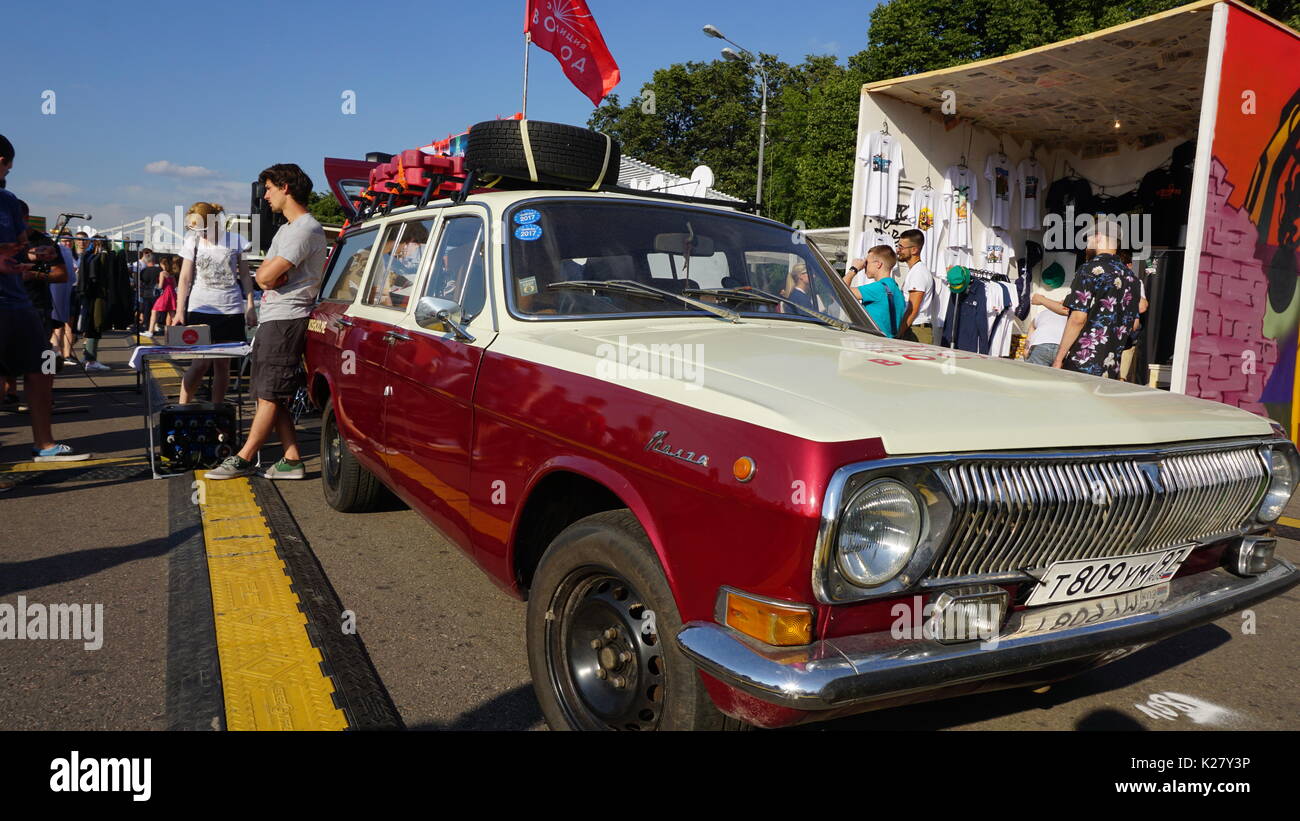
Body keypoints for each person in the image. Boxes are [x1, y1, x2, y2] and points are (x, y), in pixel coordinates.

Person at [206, 163, 327, 480]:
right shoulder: (288, 230)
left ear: (286, 187)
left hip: (287, 317)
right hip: (274, 316)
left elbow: (266, 276)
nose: (266, 196)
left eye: (270, 188)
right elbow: (265, 278)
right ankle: (292, 459)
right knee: (269, 393)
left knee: (271, 392)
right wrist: (266, 277)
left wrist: (267, 276)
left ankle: (244, 457)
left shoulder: (304, 229)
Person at [0, 133, 90, 462]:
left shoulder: (8, 200)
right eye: (8, 169)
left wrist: (32, 261)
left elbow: (40, 260)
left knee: (43, 366)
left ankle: (45, 443)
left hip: (23, 305)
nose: (7, 175)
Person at [171, 202, 255, 405]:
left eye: (203, 229)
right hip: (201, 308)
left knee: (223, 365)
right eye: (196, 230)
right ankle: (182, 407)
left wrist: (250, 306)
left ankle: (217, 409)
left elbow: (245, 276)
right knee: (200, 363)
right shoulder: (193, 242)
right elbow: (184, 278)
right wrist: (179, 310)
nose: (201, 233)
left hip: (231, 308)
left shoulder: (236, 241)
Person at [1052, 219, 1143, 378]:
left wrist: (1059, 359)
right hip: (1111, 369)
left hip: (1082, 363)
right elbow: (1134, 325)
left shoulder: (1091, 269)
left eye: (1087, 239)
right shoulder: (1133, 280)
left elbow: (1078, 319)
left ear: (1098, 236)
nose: (1086, 245)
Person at [849, 245, 906, 337]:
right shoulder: (895, 288)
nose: (864, 266)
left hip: (873, 343)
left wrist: (853, 269)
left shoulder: (878, 288)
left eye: (867, 262)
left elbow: (839, 291)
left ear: (878, 264)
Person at [895, 229, 935, 343]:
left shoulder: (918, 273)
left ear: (914, 250)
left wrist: (898, 334)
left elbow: (913, 309)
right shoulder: (916, 271)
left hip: (916, 331)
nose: (898, 250)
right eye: (898, 246)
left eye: (901, 247)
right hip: (913, 328)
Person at [149, 255, 178, 334]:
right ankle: (177, 330)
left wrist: (156, 286)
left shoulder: (162, 273)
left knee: (154, 310)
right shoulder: (172, 274)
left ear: (163, 264)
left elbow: (160, 286)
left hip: (165, 293)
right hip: (172, 293)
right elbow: (175, 286)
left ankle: (150, 331)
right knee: (172, 313)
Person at [134, 248, 161, 330]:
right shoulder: (159, 270)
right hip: (156, 293)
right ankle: (155, 325)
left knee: (146, 310)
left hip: (146, 293)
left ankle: (146, 325)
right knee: (155, 310)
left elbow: (140, 281)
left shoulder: (144, 271)